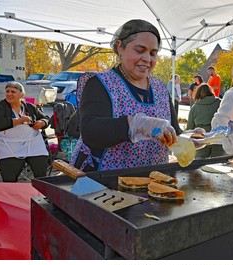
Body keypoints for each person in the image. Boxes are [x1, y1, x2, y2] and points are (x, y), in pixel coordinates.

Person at [70, 19, 182, 172]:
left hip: (153, 180)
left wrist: (193, 139)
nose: (147, 59)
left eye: (153, 53)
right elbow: (91, 131)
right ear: (120, 47)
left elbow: (174, 131)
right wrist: (136, 125)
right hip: (104, 181)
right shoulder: (100, 83)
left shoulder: (160, 89)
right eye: (140, 50)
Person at [0, 82, 49, 182]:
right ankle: (11, 194)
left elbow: (46, 118)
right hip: (7, 144)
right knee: (9, 176)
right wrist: (17, 121)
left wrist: (42, 122)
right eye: (7, 91)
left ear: (21, 94)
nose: (9, 94)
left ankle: (41, 193)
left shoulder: (29, 106)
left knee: (41, 170)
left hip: (31, 143)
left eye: (13, 92)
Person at [186, 83, 225, 159]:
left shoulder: (195, 108)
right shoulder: (221, 103)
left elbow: (190, 129)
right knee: (218, 164)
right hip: (218, 138)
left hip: (201, 139)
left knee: (200, 165)